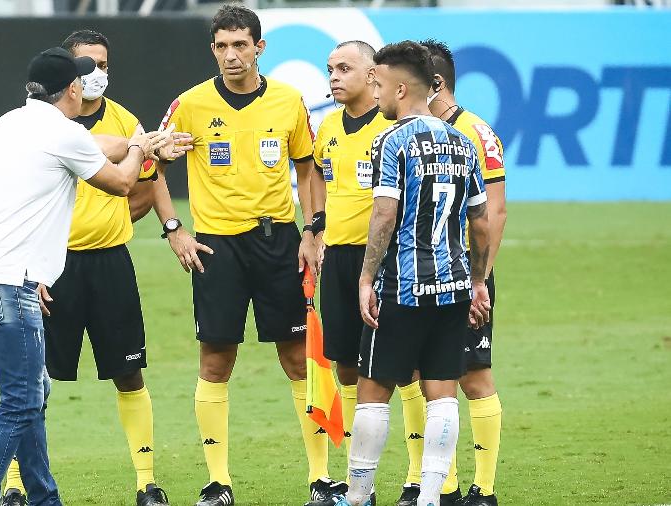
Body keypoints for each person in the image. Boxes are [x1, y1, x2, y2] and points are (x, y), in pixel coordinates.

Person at [0, 47, 178, 506]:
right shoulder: (63, 134)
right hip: (10, 283)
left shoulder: (11, 122)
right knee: (18, 402)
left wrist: (141, 143)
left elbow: (100, 146)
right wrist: (142, 147)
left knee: (33, 393)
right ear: (73, 90)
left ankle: (43, 497)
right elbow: (120, 181)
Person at [149, 5, 337, 505]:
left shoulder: (287, 101)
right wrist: (174, 230)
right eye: (221, 46)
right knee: (215, 360)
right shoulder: (188, 104)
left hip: (278, 243)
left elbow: (307, 169)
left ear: (260, 47)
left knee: (298, 358)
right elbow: (150, 163)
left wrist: (312, 231)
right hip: (216, 247)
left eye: (240, 45)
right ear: (212, 49)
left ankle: (320, 479)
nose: (231, 56)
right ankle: (218, 483)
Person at [331, 40, 491, 506]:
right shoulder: (463, 141)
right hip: (454, 283)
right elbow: (479, 222)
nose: (375, 93)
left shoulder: (391, 140)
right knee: (442, 390)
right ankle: (430, 496)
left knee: (373, 389)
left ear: (400, 88)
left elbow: (383, 215)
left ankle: (358, 494)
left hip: (403, 284)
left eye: (378, 84)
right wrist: (478, 280)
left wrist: (365, 278)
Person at [390, 39, 507, 506]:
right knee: (416, 374)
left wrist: (481, 281)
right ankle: (438, 484)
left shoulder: (477, 133)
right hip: (418, 273)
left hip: (463, 275)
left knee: (472, 374)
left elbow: (493, 213)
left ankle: (484, 488)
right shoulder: (412, 135)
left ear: (433, 84)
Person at [306, 39, 393, 506]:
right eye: (330, 69)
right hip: (338, 258)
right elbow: (318, 174)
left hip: (382, 258)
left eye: (344, 68)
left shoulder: (392, 125)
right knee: (345, 363)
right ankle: (360, 482)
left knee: (407, 365)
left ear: (373, 72)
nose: (334, 77)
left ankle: (424, 477)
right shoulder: (328, 127)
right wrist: (315, 226)